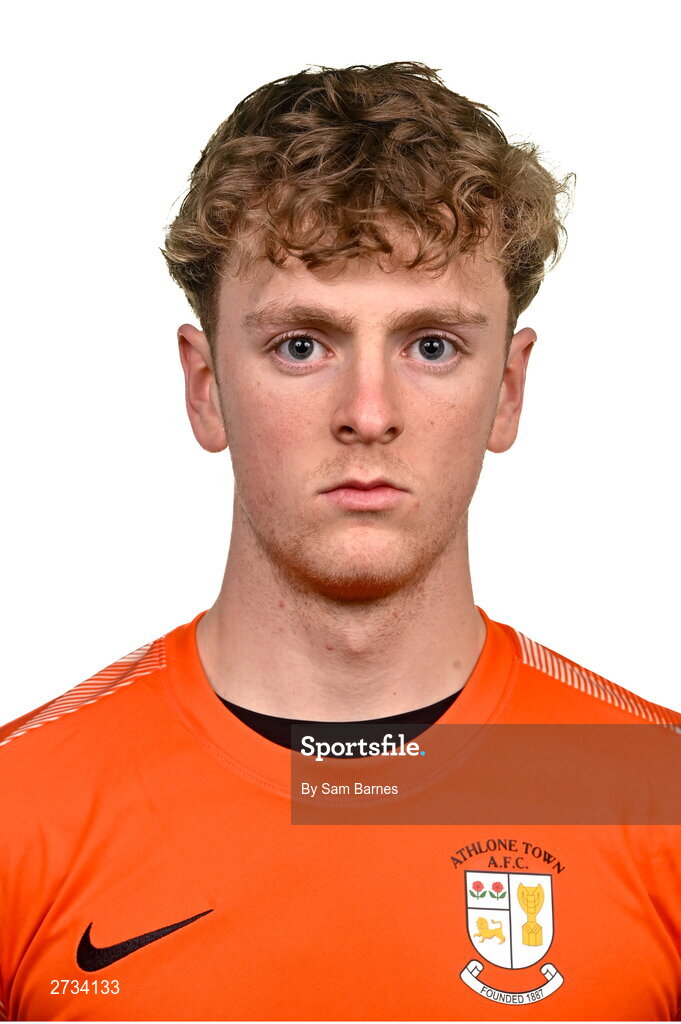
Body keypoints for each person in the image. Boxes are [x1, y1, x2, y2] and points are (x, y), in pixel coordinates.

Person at [1, 61, 679, 1023]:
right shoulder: (21, 807)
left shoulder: (657, 797)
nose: (369, 413)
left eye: (431, 345)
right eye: (302, 345)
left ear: (510, 388)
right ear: (204, 387)